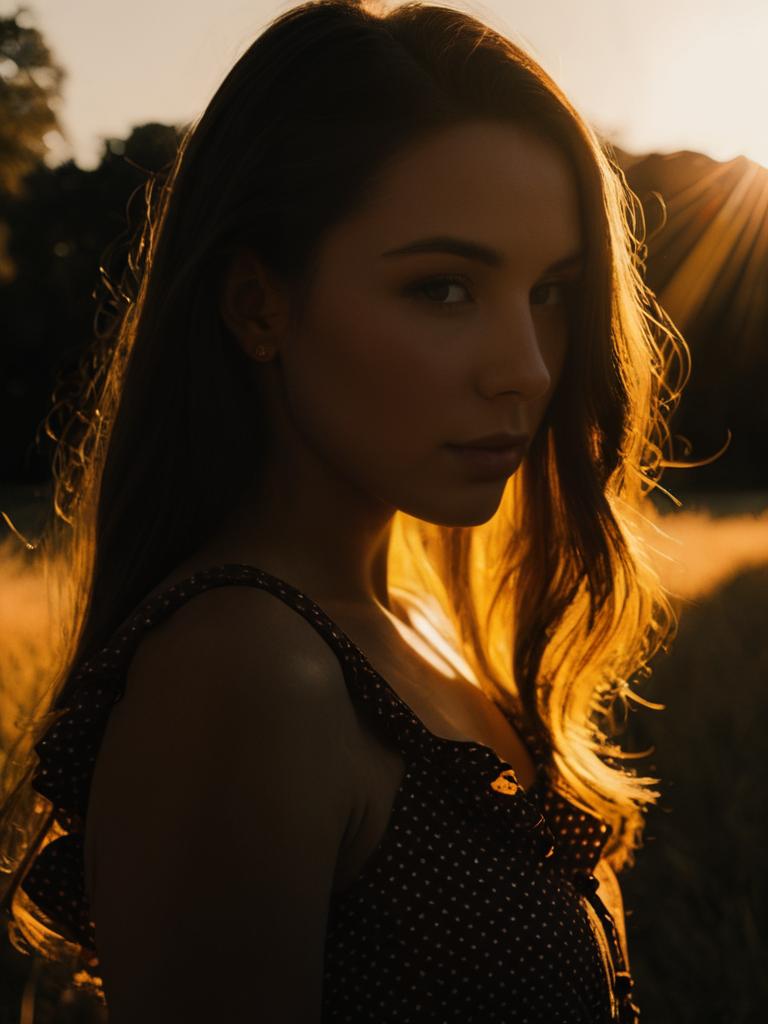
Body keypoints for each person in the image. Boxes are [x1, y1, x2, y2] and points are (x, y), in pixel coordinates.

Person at [0, 0, 691, 1020]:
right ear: (258, 305)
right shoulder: (248, 675)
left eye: (551, 290)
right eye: (446, 289)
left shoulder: (404, 627)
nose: (529, 369)